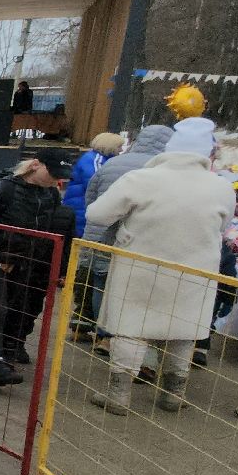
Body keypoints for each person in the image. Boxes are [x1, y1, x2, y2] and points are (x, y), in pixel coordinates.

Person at [83, 117, 236, 414]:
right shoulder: (221, 188)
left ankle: (119, 395)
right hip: (195, 272)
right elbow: (224, 225)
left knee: (131, 328)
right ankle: (173, 394)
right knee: (183, 330)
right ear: (206, 153)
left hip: (140, 268)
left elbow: (97, 215)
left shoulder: (141, 179)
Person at [0, 149, 73, 388]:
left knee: (6, 309)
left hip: (24, 262)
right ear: (35, 165)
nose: (56, 180)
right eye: (52, 173)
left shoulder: (51, 195)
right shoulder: (0, 189)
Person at [77, 125, 173, 339]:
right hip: (136, 240)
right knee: (129, 290)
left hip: (99, 233)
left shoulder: (112, 163)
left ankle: (99, 333)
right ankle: (118, 336)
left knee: (100, 282)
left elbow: (91, 198)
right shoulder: (161, 170)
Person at [62, 132, 124, 237]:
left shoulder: (95, 159)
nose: (121, 150)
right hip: (82, 208)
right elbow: (97, 184)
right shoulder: (96, 161)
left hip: (79, 206)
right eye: (119, 146)